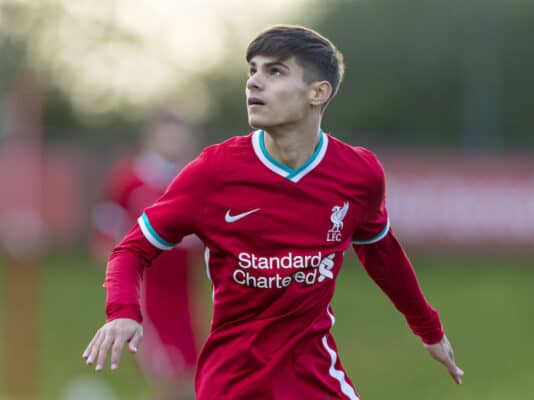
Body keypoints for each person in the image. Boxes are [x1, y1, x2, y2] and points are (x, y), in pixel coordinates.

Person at [83, 25, 464, 399]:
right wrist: (122, 311)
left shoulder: (358, 174)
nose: (254, 82)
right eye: (252, 71)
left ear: (318, 93)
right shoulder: (213, 173)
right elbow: (131, 249)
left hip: (314, 377)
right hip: (233, 383)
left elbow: (383, 255)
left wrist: (428, 329)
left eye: (275, 71)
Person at [89, 113, 205, 400]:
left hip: (185, 296)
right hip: (147, 295)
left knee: (194, 377)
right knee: (172, 378)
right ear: (152, 137)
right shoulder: (130, 180)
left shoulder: (193, 179)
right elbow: (105, 230)